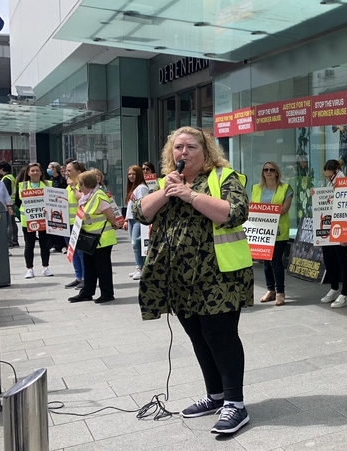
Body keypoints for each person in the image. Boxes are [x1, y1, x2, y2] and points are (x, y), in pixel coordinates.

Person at [133, 126, 253, 435]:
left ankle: (235, 404)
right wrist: (167, 190)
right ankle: (215, 395)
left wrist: (190, 195)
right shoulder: (165, 183)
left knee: (220, 337)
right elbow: (140, 212)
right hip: (179, 280)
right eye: (178, 148)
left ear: (206, 153)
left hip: (218, 277)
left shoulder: (224, 178)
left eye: (191, 148)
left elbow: (235, 213)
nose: (183, 153)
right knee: (198, 337)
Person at [67, 171, 120, 304]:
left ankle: (107, 294)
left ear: (85, 184)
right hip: (89, 238)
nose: (78, 187)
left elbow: (110, 215)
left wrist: (115, 224)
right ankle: (86, 293)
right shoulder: (88, 196)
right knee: (89, 266)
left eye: (80, 184)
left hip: (102, 238)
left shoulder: (99, 196)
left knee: (102, 268)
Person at [252, 161, 293, 306]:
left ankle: (280, 291)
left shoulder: (286, 188)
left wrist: (267, 213)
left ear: (276, 172)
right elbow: (253, 207)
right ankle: (270, 289)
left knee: (275, 260)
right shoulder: (256, 188)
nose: (268, 172)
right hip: (263, 231)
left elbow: (285, 209)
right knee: (266, 261)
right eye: (265, 170)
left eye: (271, 169)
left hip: (279, 231)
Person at [319, 160, 347, 309]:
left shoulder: (345, 182)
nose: (328, 179)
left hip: (341, 226)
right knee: (329, 259)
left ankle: (345, 294)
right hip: (329, 227)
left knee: (343, 261)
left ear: (337, 171)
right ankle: (334, 288)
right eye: (326, 176)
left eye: (330, 176)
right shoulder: (330, 184)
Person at [18, 163, 54, 279]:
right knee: (29, 245)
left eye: (37, 170)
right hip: (28, 220)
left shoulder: (48, 184)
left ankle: (46, 267)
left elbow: (52, 199)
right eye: (32, 171)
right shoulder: (22, 185)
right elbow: (18, 202)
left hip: (44, 218)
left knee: (45, 244)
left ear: (41, 172)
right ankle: (29, 269)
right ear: (28, 173)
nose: (35, 173)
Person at [64, 161, 87, 289]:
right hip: (68, 223)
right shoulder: (68, 185)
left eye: (69, 170)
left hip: (78, 223)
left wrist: (73, 187)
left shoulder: (81, 184)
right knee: (72, 252)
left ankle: (85, 278)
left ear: (78, 172)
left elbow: (81, 199)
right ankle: (78, 277)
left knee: (80, 252)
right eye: (66, 170)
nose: (67, 173)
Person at [125, 165, 149, 280]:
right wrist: (126, 219)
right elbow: (130, 206)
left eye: (133, 174)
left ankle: (141, 267)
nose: (131, 176)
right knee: (134, 245)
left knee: (136, 243)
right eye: (129, 174)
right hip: (131, 219)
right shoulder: (133, 188)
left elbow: (142, 205)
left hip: (138, 220)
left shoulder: (141, 188)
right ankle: (137, 266)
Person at [0, 161, 20, 247]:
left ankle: (10, 241)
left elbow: (7, 192)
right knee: (13, 222)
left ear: (2, 169)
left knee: (9, 223)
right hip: (12, 202)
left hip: (9, 203)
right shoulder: (11, 177)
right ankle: (14, 240)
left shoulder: (6, 179)